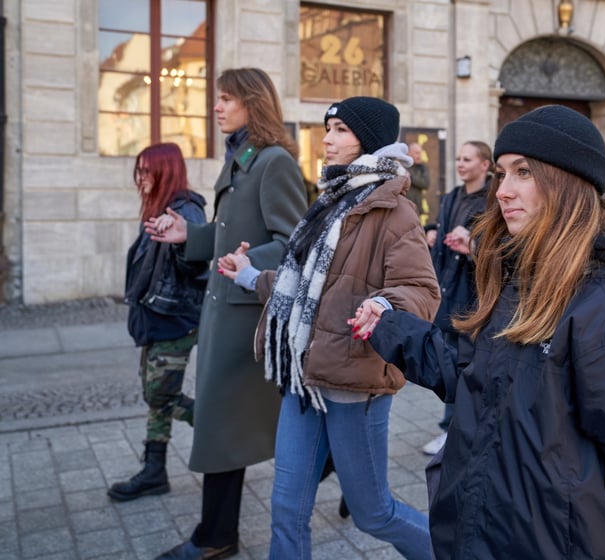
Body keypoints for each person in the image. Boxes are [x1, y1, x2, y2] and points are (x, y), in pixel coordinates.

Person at [355, 106, 605, 558]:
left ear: (567, 183)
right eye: (502, 173)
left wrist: (572, 502)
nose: (503, 190)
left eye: (524, 172)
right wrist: (393, 328)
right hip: (483, 532)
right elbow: (472, 376)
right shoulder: (518, 280)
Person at [217, 96, 440, 559]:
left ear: (368, 139)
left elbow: (421, 289)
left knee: (372, 512)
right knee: (286, 507)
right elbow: (307, 288)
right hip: (304, 376)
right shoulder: (330, 202)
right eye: (328, 129)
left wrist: (384, 304)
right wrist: (250, 275)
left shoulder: (393, 210)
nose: (328, 139)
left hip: (354, 382)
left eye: (340, 129)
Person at [146, 68, 309, 560]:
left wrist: (247, 262)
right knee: (231, 426)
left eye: (226, 99)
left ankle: (214, 537)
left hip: (245, 321)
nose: (216, 107)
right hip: (226, 313)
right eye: (217, 99)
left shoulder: (274, 161)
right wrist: (189, 235)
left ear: (252, 103)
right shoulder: (242, 157)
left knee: (223, 427)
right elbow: (229, 230)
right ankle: (220, 533)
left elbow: (292, 243)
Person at [107, 143, 207, 503]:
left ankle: (225, 428)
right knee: (157, 397)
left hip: (174, 322)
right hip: (154, 321)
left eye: (147, 170)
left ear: (166, 171)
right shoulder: (156, 208)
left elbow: (198, 265)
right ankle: (154, 471)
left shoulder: (186, 210)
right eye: (139, 170)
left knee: (159, 394)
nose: (140, 177)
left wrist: (182, 241)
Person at [420, 140, 493, 456]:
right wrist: (432, 230)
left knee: (467, 367)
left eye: (467, 159)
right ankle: (454, 429)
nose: (460, 164)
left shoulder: (493, 200)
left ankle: (456, 430)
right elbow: (441, 224)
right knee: (450, 364)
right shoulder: (452, 196)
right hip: (448, 290)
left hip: (474, 295)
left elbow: (497, 248)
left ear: (485, 165)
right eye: (459, 158)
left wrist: (473, 244)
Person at [406, 141, 431, 223]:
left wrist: (410, 177)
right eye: (417, 153)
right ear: (409, 153)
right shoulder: (403, 166)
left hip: (416, 208)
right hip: (404, 208)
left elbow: (425, 184)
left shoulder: (422, 168)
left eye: (420, 153)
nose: (419, 156)